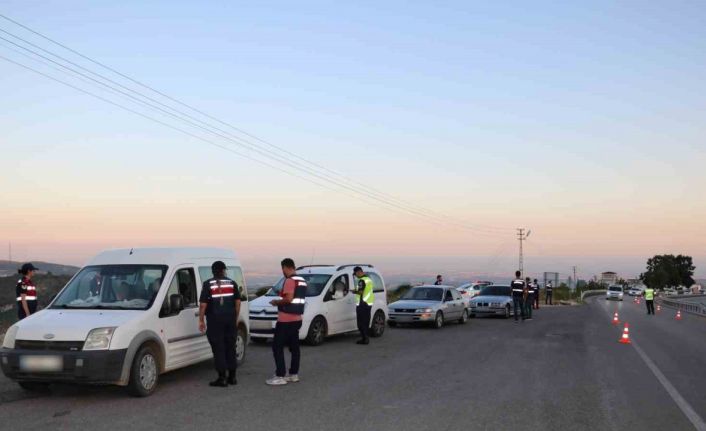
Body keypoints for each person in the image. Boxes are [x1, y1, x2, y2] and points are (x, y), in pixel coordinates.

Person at [198, 261, 241, 387]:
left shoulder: (208, 284)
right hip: (230, 320)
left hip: (215, 321)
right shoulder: (232, 283)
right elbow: (238, 303)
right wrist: (235, 318)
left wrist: (201, 320)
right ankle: (232, 377)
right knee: (230, 347)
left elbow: (203, 305)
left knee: (219, 349)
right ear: (223, 270)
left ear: (213, 271)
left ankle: (222, 378)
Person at [267, 258, 307, 386]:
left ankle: (280, 375)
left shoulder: (289, 280)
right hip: (297, 318)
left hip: (285, 320)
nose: (282, 271)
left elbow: (288, 299)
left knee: (277, 346)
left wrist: (276, 302)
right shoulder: (301, 280)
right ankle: (293, 374)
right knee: (294, 347)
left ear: (285, 267)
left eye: (282, 269)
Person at [352, 266, 375, 344]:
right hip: (368, 303)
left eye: (355, 274)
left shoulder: (362, 281)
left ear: (358, 272)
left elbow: (361, 292)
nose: (355, 276)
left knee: (361, 323)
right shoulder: (368, 279)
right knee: (366, 322)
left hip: (362, 304)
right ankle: (365, 338)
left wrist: (354, 291)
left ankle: (365, 339)